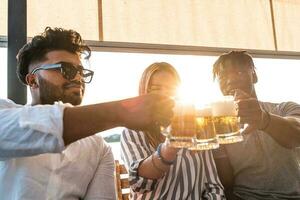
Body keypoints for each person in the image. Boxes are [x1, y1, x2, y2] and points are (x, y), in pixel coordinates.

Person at [0, 27, 173, 199]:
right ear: (33, 80)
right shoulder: (5, 112)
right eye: (65, 69)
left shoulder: (99, 148)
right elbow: (19, 129)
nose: (77, 78)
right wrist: (120, 112)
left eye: (81, 72)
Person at [121, 62, 225, 199]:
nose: (165, 95)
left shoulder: (197, 127)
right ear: (143, 93)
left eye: (171, 89)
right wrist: (170, 147)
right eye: (156, 89)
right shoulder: (133, 131)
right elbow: (140, 184)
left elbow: (214, 187)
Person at [212, 51, 300, 200]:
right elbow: (226, 182)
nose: (231, 80)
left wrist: (263, 120)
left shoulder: (284, 108)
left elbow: (296, 134)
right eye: (223, 76)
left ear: (254, 76)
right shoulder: (218, 126)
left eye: (239, 72)